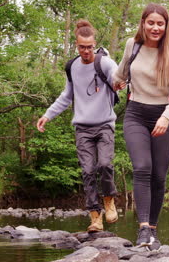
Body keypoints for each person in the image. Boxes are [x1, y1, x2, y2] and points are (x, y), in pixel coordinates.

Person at [113, 3, 169, 251]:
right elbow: (121, 74)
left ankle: (153, 231)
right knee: (142, 167)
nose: (155, 28)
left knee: (159, 176)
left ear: (166, 26)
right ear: (143, 23)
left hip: (162, 115)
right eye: (151, 22)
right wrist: (116, 83)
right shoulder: (131, 45)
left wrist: (166, 117)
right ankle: (143, 228)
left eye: (160, 23)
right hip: (135, 113)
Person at [36, 19, 120, 233]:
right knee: (88, 171)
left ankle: (109, 202)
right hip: (82, 128)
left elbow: (121, 80)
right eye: (82, 47)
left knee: (105, 165)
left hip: (104, 125)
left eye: (89, 47)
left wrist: (120, 84)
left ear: (94, 44)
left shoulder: (106, 63)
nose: (86, 51)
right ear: (76, 45)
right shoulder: (72, 67)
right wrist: (48, 115)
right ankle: (95, 218)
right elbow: (67, 96)